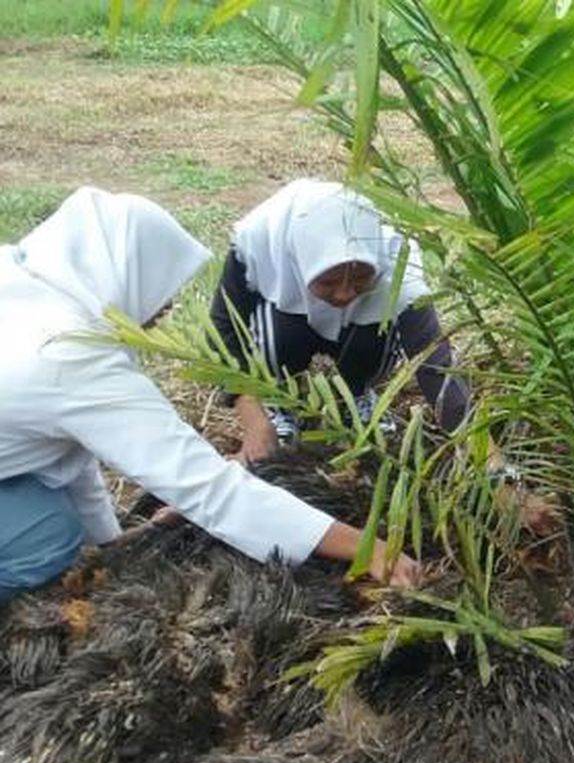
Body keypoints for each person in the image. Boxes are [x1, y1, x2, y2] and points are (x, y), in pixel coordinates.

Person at [0, 187, 419, 602]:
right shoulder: (66, 355)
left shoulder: (28, 287)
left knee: (56, 525)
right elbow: (213, 493)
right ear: (127, 270)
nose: (170, 307)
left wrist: (110, 550)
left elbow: (73, 458)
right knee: (47, 543)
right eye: (165, 285)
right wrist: (369, 549)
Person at [210, 179, 469, 464]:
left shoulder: (393, 257)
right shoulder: (260, 242)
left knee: (377, 335)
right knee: (277, 337)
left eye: (360, 279)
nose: (345, 293)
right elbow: (222, 328)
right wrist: (252, 418)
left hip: (361, 330)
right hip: (287, 321)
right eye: (328, 281)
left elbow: (432, 360)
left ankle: (357, 396)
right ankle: (279, 403)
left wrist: (487, 459)